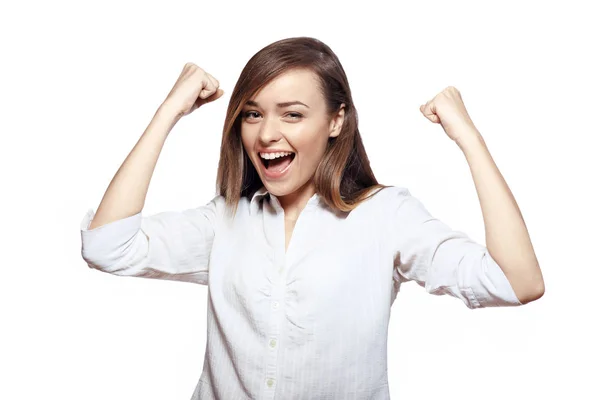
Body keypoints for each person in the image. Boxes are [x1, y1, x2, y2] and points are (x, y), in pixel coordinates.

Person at [79, 37, 544, 400]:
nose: (266, 134)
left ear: (336, 121)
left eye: (293, 114)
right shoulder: (225, 220)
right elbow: (105, 246)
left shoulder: (386, 216)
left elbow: (516, 282)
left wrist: (468, 137)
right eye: (252, 114)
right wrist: (169, 111)